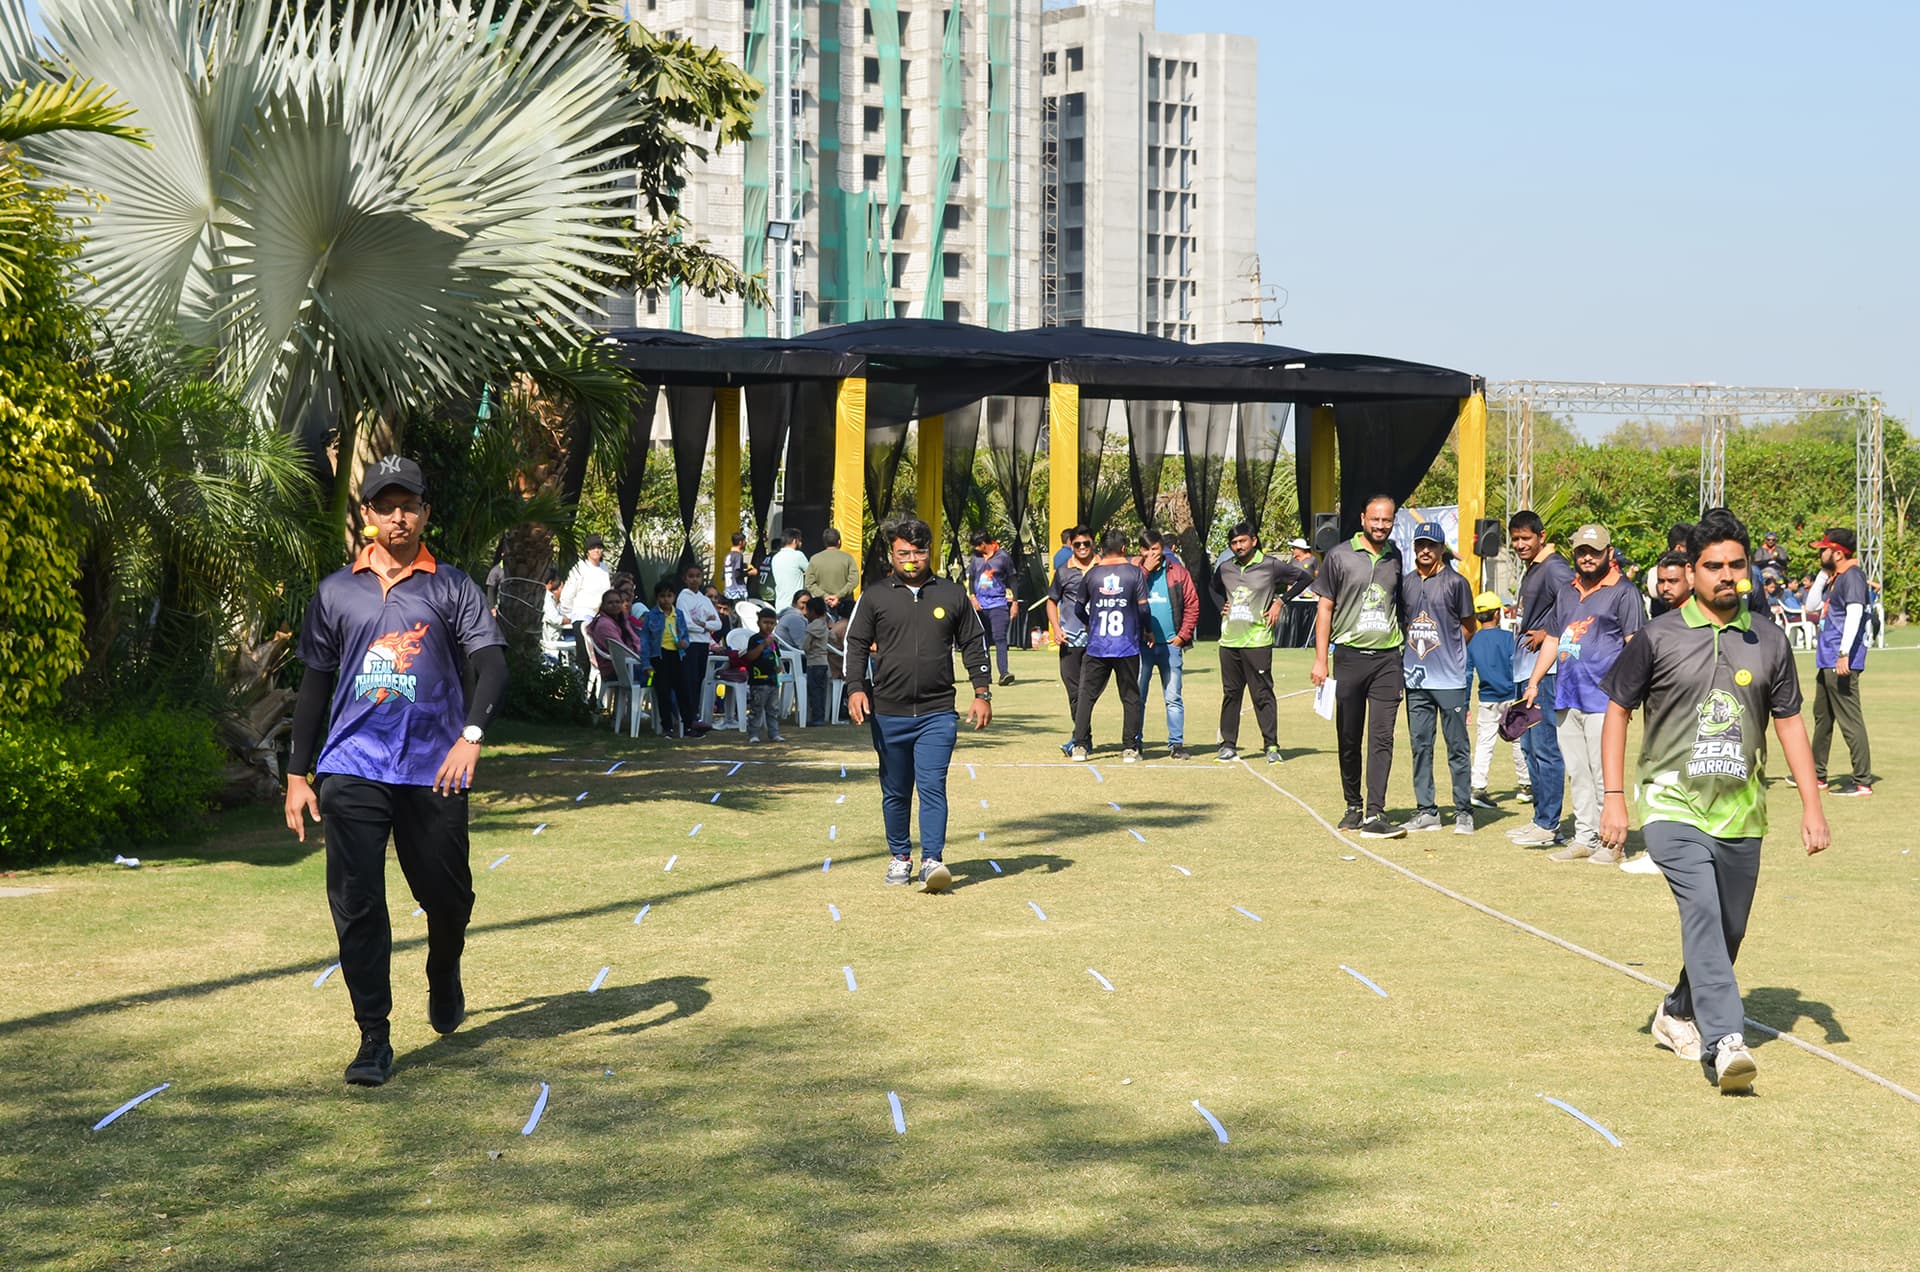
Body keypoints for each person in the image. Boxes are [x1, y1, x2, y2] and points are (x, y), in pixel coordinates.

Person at [283, 456, 507, 1088]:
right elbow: (314, 687)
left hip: (434, 769)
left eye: (409, 504)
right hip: (352, 766)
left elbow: (491, 666)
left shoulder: (453, 587)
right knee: (357, 901)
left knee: (447, 895)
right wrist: (298, 775)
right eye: (386, 506)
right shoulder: (336, 592)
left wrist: (471, 736)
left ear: (425, 512)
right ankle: (373, 1038)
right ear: (367, 516)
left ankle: (444, 968)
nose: (398, 516)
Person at [1598, 507, 1829, 1093]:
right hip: (1671, 806)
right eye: (1713, 567)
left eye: (1736, 564)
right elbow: (1617, 711)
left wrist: (1812, 806)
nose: (1727, 575)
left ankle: (1677, 1010)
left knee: (1727, 929)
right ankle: (1725, 1041)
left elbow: (1791, 723)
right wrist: (1615, 799)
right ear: (1692, 571)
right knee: (1700, 911)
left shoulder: (1769, 639)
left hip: (1742, 811)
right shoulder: (1658, 636)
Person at [845, 517, 993, 892]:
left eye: (919, 552)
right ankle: (900, 856)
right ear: (892, 554)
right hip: (888, 711)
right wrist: (855, 688)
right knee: (895, 790)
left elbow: (974, 642)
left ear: (931, 553)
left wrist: (981, 692)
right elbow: (855, 644)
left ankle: (931, 860)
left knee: (932, 785)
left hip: (937, 712)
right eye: (903, 553)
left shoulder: (952, 594)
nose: (911, 560)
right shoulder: (875, 595)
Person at [1524, 525, 1645, 863]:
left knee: (1603, 772)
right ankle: (1586, 836)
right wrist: (1534, 681)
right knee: (1578, 771)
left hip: (1604, 698)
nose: (1587, 557)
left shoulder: (1625, 592)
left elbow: (1635, 646)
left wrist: (1629, 696)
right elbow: (1552, 638)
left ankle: (1612, 843)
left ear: (1609, 552)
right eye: (1581, 551)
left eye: (1594, 551)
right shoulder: (1566, 591)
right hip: (1566, 693)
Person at [1311, 497, 1407, 837]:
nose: (1381, 526)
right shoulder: (1339, 556)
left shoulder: (1396, 556)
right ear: (1363, 517)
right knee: (1349, 736)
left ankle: (1374, 813)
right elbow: (1325, 608)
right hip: (1348, 657)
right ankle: (1353, 804)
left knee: (1382, 737)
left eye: (1387, 520)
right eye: (1376, 519)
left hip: (1387, 659)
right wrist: (1321, 659)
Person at [1400, 522, 1478, 835]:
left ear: (1442, 547)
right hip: (1416, 681)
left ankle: (1463, 812)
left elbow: (1470, 626)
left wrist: (1449, 652)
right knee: (1421, 746)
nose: (1425, 551)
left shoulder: (1456, 583)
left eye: (1431, 545)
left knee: (1457, 747)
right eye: (1420, 544)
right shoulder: (1405, 583)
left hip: (1450, 681)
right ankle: (1427, 811)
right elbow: (1405, 625)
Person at [1216, 521, 1310, 764]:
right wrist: (1220, 606)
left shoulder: (1270, 565)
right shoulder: (1226, 568)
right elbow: (1212, 588)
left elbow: (1304, 578)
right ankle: (1228, 745)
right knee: (1231, 694)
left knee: (1262, 694)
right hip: (1229, 640)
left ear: (1253, 540)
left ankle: (1271, 745)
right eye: (1234, 543)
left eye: (1242, 541)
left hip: (1257, 640)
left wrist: (1281, 601)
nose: (1238, 546)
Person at [1506, 510, 1573, 846]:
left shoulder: (1555, 567)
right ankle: (1540, 820)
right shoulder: (1534, 568)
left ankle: (1549, 824)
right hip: (1526, 669)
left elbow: (1577, 601)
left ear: (1541, 536)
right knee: (1530, 746)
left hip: (1545, 673)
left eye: (1525, 538)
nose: (1520, 545)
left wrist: (1548, 630)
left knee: (1545, 748)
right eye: (1515, 539)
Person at [1070, 530, 1149, 762]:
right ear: (1124, 548)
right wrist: (1147, 629)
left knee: (1086, 695)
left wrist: (1090, 623)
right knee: (1130, 697)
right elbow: (1144, 609)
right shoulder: (1134, 573)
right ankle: (1129, 748)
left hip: (1097, 645)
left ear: (1101, 548)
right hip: (1127, 645)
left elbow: (1078, 608)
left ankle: (1080, 746)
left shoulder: (1092, 574)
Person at [1809, 527, 1874, 796]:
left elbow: (1856, 613)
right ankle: (1817, 775)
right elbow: (1811, 605)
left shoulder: (1853, 576)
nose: (1820, 553)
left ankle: (1862, 781)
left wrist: (1844, 653)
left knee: (1850, 720)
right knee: (1822, 718)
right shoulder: (1837, 576)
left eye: (1824, 549)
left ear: (1837, 552)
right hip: (1827, 658)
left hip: (1840, 659)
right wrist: (1823, 573)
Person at [1132, 530, 1199, 760]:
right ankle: (1135, 743)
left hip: (1170, 645)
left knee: (1173, 696)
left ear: (1162, 548)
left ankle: (1176, 744)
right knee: (1138, 696)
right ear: (1141, 551)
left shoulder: (1178, 572)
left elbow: (1192, 604)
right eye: (1147, 550)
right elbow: (1127, 598)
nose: (1152, 554)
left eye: (1156, 549)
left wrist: (1183, 635)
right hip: (1142, 646)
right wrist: (1144, 570)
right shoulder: (1135, 573)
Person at [1466, 590, 1524, 808]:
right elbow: (1517, 667)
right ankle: (1526, 785)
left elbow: (1468, 674)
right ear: (1497, 614)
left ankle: (1478, 787)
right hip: (1512, 696)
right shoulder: (1509, 638)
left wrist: (1465, 705)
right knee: (1518, 741)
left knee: (1484, 744)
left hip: (1487, 699)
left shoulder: (1472, 643)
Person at [1047, 525, 1097, 756]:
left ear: (1093, 543)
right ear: (1071, 546)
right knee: (1074, 692)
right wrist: (1056, 628)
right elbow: (1051, 601)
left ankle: (1081, 739)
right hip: (1070, 641)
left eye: (1086, 543)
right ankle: (1083, 738)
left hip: (1098, 641)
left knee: (1087, 691)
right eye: (1077, 544)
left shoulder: (1104, 568)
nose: (1082, 548)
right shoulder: (1064, 572)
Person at [638, 581, 695, 737]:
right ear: (657, 598)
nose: (666, 600)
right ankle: (667, 727)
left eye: (669, 596)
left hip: (677, 655)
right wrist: (646, 664)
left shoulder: (679, 614)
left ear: (674, 597)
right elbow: (645, 641)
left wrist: (684, 643)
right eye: (662, 596)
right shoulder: (651, 616)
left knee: (683, 691)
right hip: (659, 656)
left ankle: (689, 726)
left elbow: (685, 637)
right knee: (663, 693)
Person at [967, 530, 1021, 686]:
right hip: (980, 605)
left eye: (977, 546)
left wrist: (1015, 603)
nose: (975, 549)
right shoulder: (975, 559)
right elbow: (971, 579)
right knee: (982, 640)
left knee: (1000, 637)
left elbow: (1012, 579)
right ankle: (985, 674)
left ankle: (1004, 673)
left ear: (984, 543)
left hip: (998, 604)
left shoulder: (1003, 557)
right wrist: (972, 597)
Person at [677, 565, 722, 730]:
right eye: (691, 576)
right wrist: (704, 625)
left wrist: (703, 624)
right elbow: (686, 623)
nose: (694, 579)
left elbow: (717, 623)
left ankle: (695, 715)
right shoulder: (683, 597)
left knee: (699, 680)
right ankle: (689, 718)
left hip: (704, 643)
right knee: (690, 681)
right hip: (691, 643)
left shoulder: (705, 600)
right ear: (685, 578)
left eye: (697, 576)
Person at [743, 608, 786, 744]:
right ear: (758, 623)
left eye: (772, 623)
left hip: (772, 682)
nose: (768, 626)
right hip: (758, 682)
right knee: (756, 709)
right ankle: (754, 734)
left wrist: (778, 667)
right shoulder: (755, 639)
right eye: (765, 622)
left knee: (773, 710)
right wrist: (763, 645)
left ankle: (774, 733)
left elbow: (777, 657)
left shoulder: (774, 641)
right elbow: (750, 657)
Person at [804, 527, 859, 618]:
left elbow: (809, 583)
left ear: (824, 543)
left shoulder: (815, 559)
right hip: (844, 606)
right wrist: (838, 596)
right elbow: (854, 581)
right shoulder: (848, 558)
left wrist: (825, 596)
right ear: (839, 542)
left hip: (822, 607)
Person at [559, 533, 612, 626]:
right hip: (582, 616)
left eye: (599, 548)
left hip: (600, 618)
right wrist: (569, 615)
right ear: (587, 551)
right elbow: (568, 594)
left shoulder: (604, 569)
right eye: (593, 548)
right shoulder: (580, 568)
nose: (596, 550)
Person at [1281, 537, 1319, 647]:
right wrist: (1288, 591)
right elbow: (1290, 578)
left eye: (1294, 548)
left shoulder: (1312, 560)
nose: (1292, 550)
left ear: (1300, 549)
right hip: (1296, 595)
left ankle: (1308, 642)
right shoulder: (1293, 562)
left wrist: (1317, 592)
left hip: (1310, 595)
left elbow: (1317, 577)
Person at [803, 594, 834, 725]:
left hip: (813, 663)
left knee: (814, 691)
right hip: (824, 662)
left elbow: (805, 645)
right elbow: (832, 639)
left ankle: (817, 718)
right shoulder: (824, 625)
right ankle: (820, 716)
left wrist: (806, 649)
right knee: (821, 691)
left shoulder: (812, 627)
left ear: (813, 612)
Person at [771, 528, 810, 611]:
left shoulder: (776, 557)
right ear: (794, 541)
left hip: (780, 605)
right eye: (800, 540)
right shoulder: (798, 555)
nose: (801, 543)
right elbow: (811, 572)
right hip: (795, 606)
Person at [722, 531, 757, 600]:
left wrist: (744, 565)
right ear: (740, 542)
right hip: (738, 591)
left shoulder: (728, 556)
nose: (745, 543)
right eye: (744, 541)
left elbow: (724, 575)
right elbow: (737, 574)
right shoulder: (738, 555)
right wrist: (750, 573)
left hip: (729, 591)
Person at [774, 588, 811, 653]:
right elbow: (803, 645)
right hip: (794, 656)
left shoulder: (795, 616)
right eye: (803, 603)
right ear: (794, 604)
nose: (806, 606)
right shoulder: (794, 618)